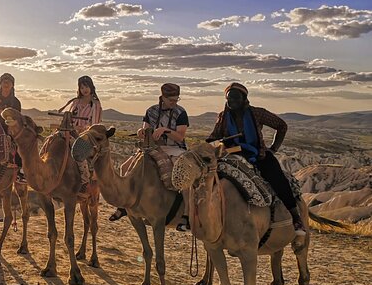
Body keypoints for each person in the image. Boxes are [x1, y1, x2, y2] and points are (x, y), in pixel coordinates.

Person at [207, 82, 306, 236]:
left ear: (244, 98)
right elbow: (215, 137)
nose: (232, 101)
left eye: (236, 98)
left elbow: (281, 126)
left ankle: (295, 217)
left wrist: (273, 149)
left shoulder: (257, 113)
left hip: (257, 155)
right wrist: (211, 144)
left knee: (277, 178)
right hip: (231, 155)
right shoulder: (223, 117)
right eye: (229, 98)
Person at [109, 83, 190, 229]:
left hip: (174, 148)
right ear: (163, 97)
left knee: (182, 174)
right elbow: (145, 130)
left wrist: (165, 130)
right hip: (152, 147)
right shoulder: (151, 111)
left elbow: (180, 137)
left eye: (176, 99)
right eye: (171, 100)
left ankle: (187, 214)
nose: (174, 102)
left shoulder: (181, 113)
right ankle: (124, 204)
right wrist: (142, 132)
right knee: (125, 167)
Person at [68, 75, 102, 197]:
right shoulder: (76, 102)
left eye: (86, 86)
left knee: (78, 151)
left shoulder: (95, 104)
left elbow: (95, 124)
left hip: (88, 136)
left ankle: (84, 181)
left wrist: (83, 129)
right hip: (72, 132)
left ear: (91, 87)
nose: (84, 90)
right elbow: (70, 118)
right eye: (82, 87)